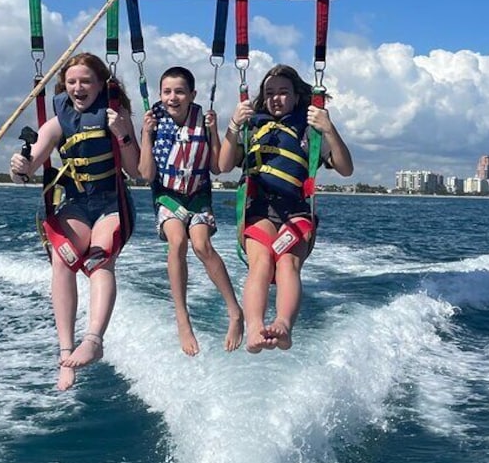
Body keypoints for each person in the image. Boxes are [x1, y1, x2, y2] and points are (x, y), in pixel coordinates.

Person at [9, 52, 140, 390]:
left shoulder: (115, 116)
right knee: (63, 260)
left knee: (99, 261)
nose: (78, 88)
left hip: (112, 204)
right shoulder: (57, 122)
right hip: (78, 204)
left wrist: (123, 133)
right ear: (63, 87)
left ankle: (94, 341)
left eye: (85, 82)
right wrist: (20, 169)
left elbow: (136, 170)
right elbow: (31, 165)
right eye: (71, 83)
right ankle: (65, 351)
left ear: (100, 85)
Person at [218, 64, 353, 353]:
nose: (276, 98)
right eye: (270, 93)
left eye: (283, 92)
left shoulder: (310, 131)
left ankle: (283, 325)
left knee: (287, 263)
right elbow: (223, 165)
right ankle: (254, 327)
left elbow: (345, 168)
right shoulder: (252, 127)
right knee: (262, 263)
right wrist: (233, 125)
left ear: (295, 96)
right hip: (258, 209)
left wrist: (329, 128)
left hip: (296, 213)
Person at [138, 66, 244, 356]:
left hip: (197, 194)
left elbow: (217, 168)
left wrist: (214, 130)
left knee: (202, 245)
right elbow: (146, 175)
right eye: (167, 92)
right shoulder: (154, 121)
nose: (173, 97)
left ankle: (235, 312)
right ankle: (182, 318)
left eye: (180, 91)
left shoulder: (203, 118)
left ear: (192, 94)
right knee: (178, 242)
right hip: (168, 196)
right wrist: (146, 135)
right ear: (160, 95)